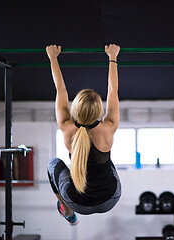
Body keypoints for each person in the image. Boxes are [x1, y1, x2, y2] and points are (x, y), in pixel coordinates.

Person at [46, 44, 121, 226]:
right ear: (99, 110)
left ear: (75, 109)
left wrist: (53, 58)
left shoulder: (66, 126)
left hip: (77, 203)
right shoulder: (108, 127)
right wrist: (112, 57)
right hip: (110, 199)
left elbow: (60, 90)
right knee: (106, 161)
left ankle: (68, 211)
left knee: (52, 164)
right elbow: (113, 90)